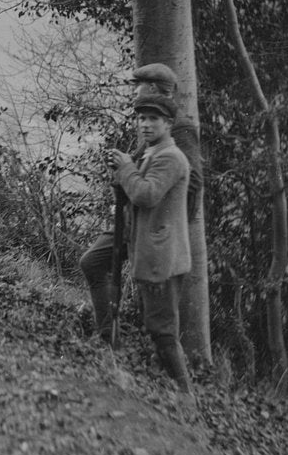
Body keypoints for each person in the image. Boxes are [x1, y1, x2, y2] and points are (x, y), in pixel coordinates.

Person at [79, 63, 203, 342]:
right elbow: (140, 168)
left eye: (139, 87)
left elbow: (192, 182)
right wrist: (123, 166)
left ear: (154, 90)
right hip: (135, 215)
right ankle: (107, 333)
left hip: (157, 224)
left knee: (159, 318)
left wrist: (163, 217)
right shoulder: (152, 122)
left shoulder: (179, 129)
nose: (134, 93)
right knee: (93, 262)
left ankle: (113, 338)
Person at [107, 90, 194, 395]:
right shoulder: (153, 152)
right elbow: (134, 192)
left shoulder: (170, 157)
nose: (145, 124)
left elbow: (146, 195)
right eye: (141, 118)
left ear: (168, 123)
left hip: (163, 256)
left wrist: (126, 168)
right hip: (156, 251)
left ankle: (185, 393)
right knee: (157, 323)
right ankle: (169, 385)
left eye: (153, 119)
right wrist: (123, 174)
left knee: (162, 328)